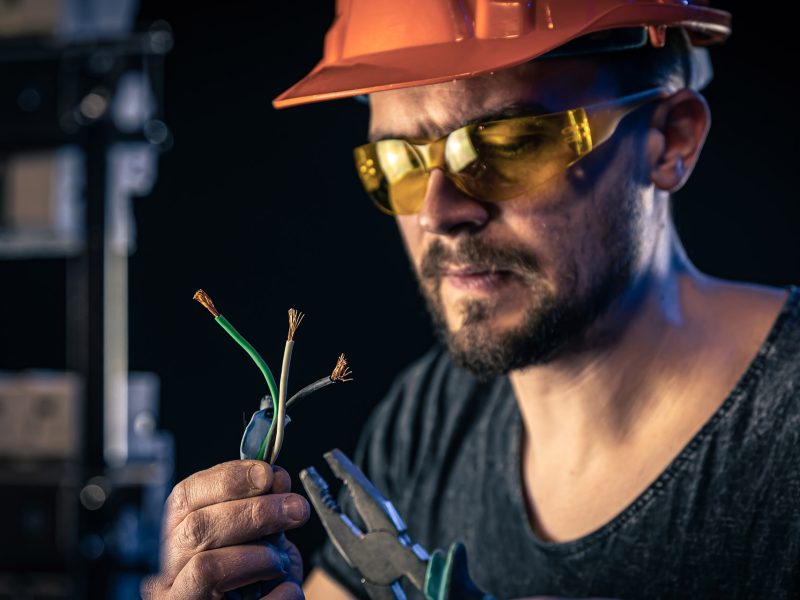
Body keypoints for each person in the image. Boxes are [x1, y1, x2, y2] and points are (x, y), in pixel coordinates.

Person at [143, 1, 800, 598]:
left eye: (507, 146)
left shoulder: (783, 438)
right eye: (398, 162)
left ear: (670, 139)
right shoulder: (431, 420)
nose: (439, 213)